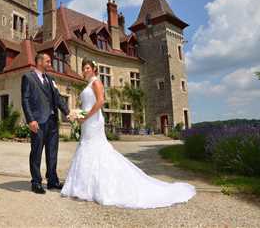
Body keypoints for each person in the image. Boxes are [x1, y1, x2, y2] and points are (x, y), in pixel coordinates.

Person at [61, 58, 196, 209]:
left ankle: (95, 187)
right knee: (85, 148)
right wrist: (78, 114)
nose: (85, 70)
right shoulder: (87, 85)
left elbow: (100, 102)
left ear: (93, 69)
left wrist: (86, 116)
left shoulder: (96, 82)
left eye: (87, 68)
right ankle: (83, 187)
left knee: (95, 148)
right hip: (87, 121)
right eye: (83, 68)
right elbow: (87, 103)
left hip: (93, 121)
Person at [21, 53, 70, 194]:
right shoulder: (28, 77)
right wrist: (30, 120)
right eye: (48, 61)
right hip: (38, 122)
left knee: (52, 152)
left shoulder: (50, 79)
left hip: (52, 121)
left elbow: (58, 98)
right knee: (36, 152)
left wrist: (68, 113)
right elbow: (25, 100)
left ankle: (52, 180)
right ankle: (36, 182)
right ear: (39, 61)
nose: (50, 64)